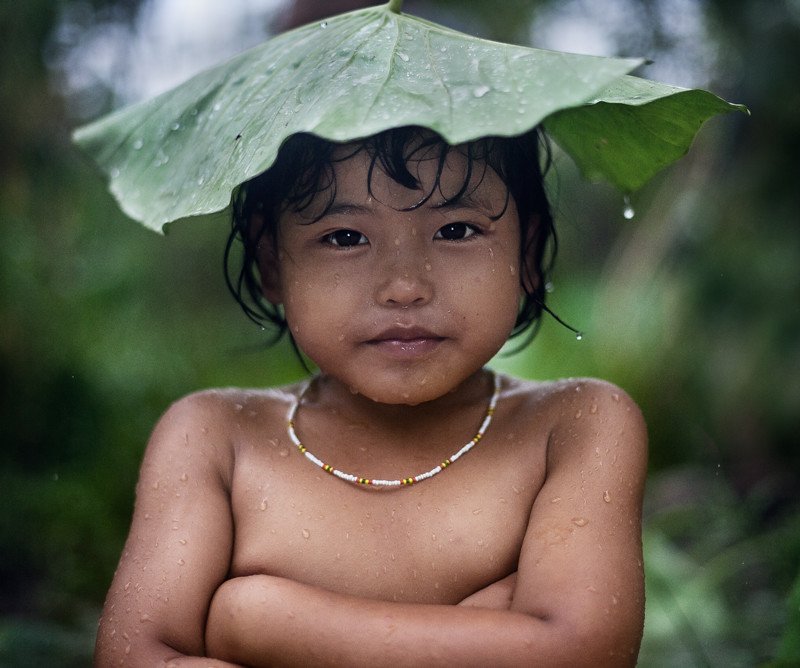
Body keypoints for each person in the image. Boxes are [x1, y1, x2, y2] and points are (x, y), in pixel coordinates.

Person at [93, 125, 647, 666]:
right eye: (345, 237)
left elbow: (583, 652)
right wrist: (495, 630)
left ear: (525, 253)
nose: (404, 286)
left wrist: (260, 620)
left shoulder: (575, 424)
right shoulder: (213, 437)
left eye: (456, 230)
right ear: (271, 263)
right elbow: (130, 655)